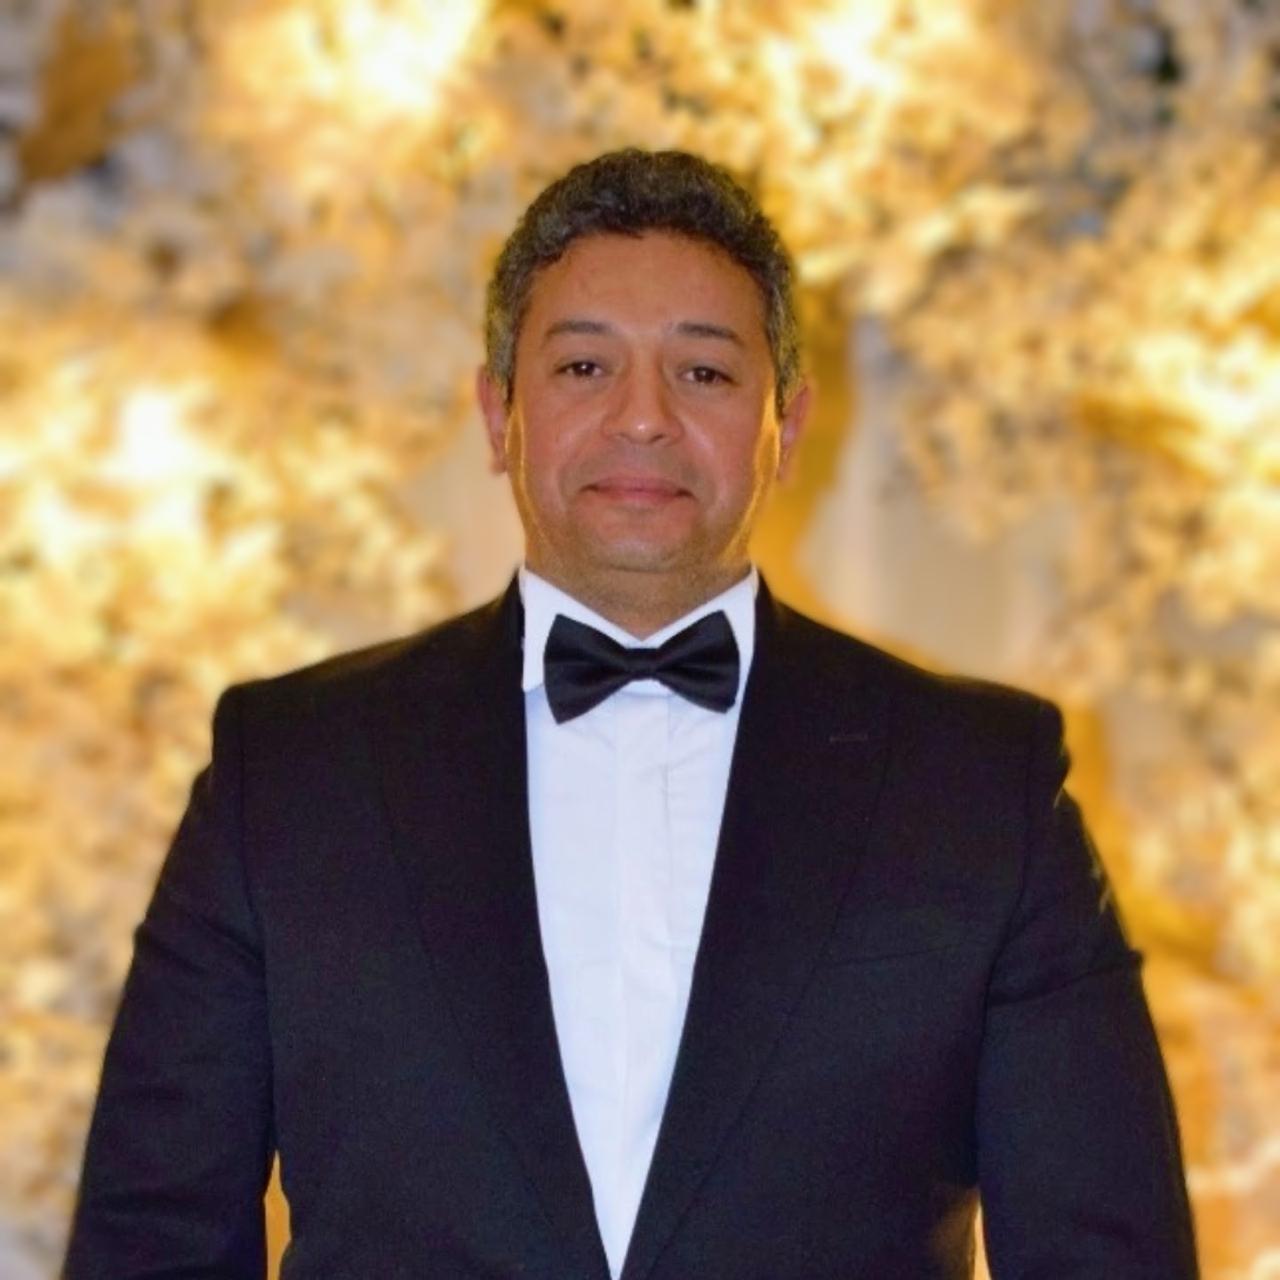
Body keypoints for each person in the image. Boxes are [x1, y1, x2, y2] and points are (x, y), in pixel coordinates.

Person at [64, 148, 1198, 1279]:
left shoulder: (981, 785)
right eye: (582, 366)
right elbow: (151, 1243)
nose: (643, 418)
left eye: (703, 372)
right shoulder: (287, 774)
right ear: (498, 414)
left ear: (787, 426)